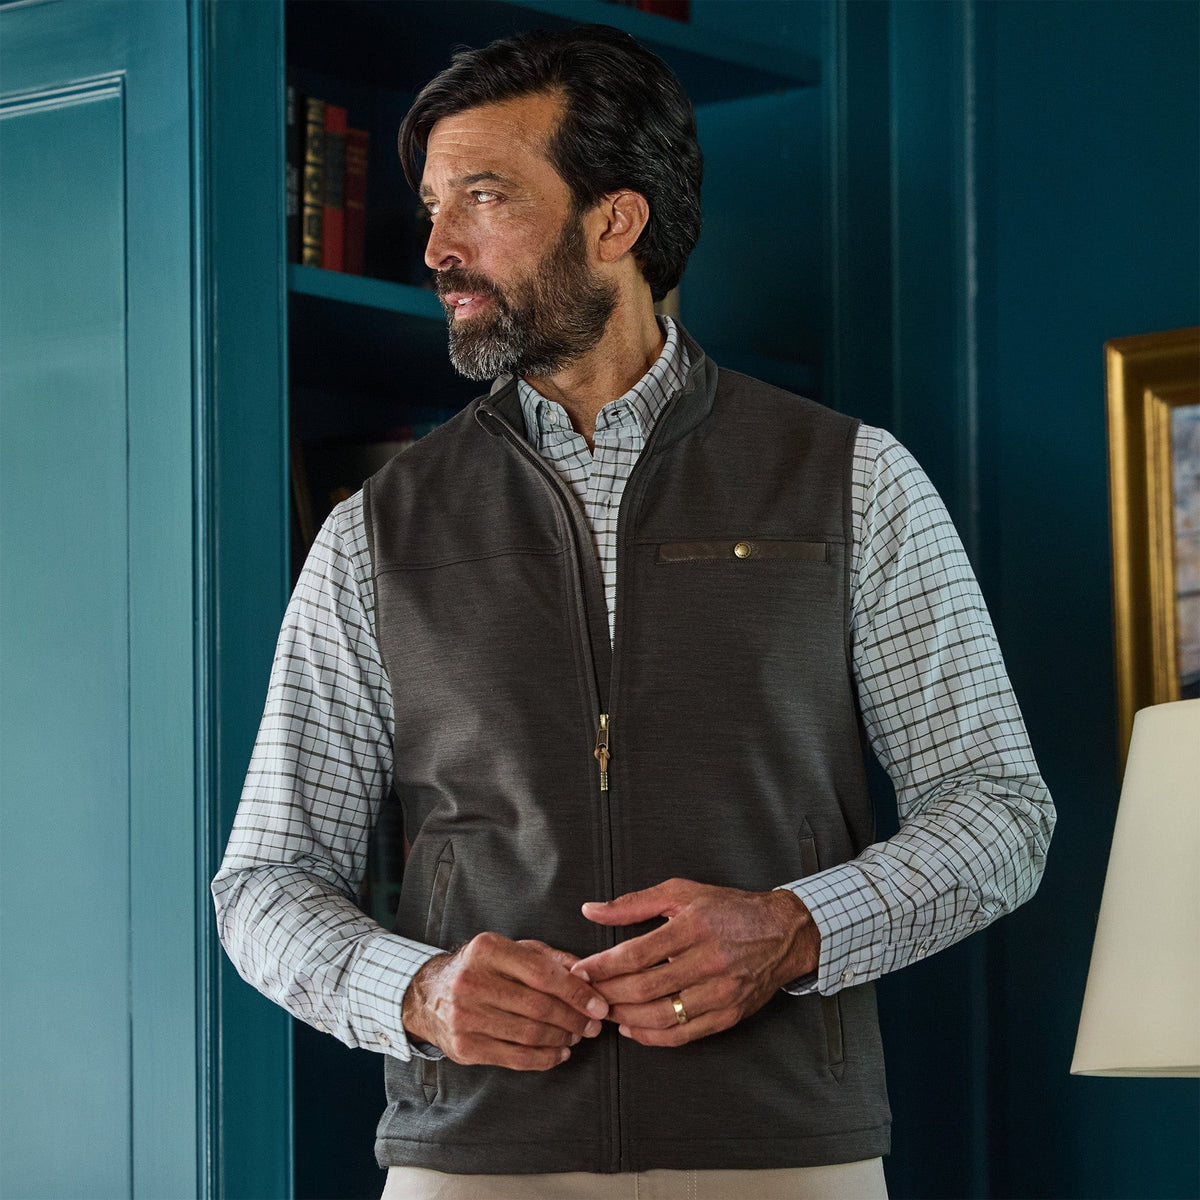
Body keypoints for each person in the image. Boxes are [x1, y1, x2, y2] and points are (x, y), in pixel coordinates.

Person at [213, 24, 1055, 1200]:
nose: (439, 245)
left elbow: (1002, 811)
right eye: (433, 204)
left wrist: (798, 928)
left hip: (784, 1156)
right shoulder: (377, 527)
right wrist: (415, 993)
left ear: (617, 222)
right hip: (474, 1162)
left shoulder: (855, 479)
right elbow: (264, 878)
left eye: (485, 197)